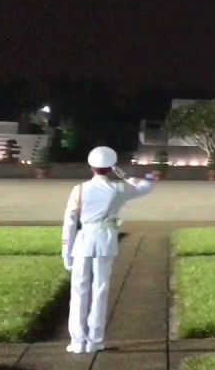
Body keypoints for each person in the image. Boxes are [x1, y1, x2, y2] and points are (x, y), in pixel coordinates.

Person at [61, 146, 155, 354]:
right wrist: (124, 174)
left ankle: (77, 342)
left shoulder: (79, 189)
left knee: (79, 291)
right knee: (100, 291)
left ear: (91, 166)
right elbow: (147, 186)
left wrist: (66, 254)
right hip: (105, 241)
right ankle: (95, 340)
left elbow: (69, 223)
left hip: (83, 243)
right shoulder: (119, 189)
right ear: (111, 168)